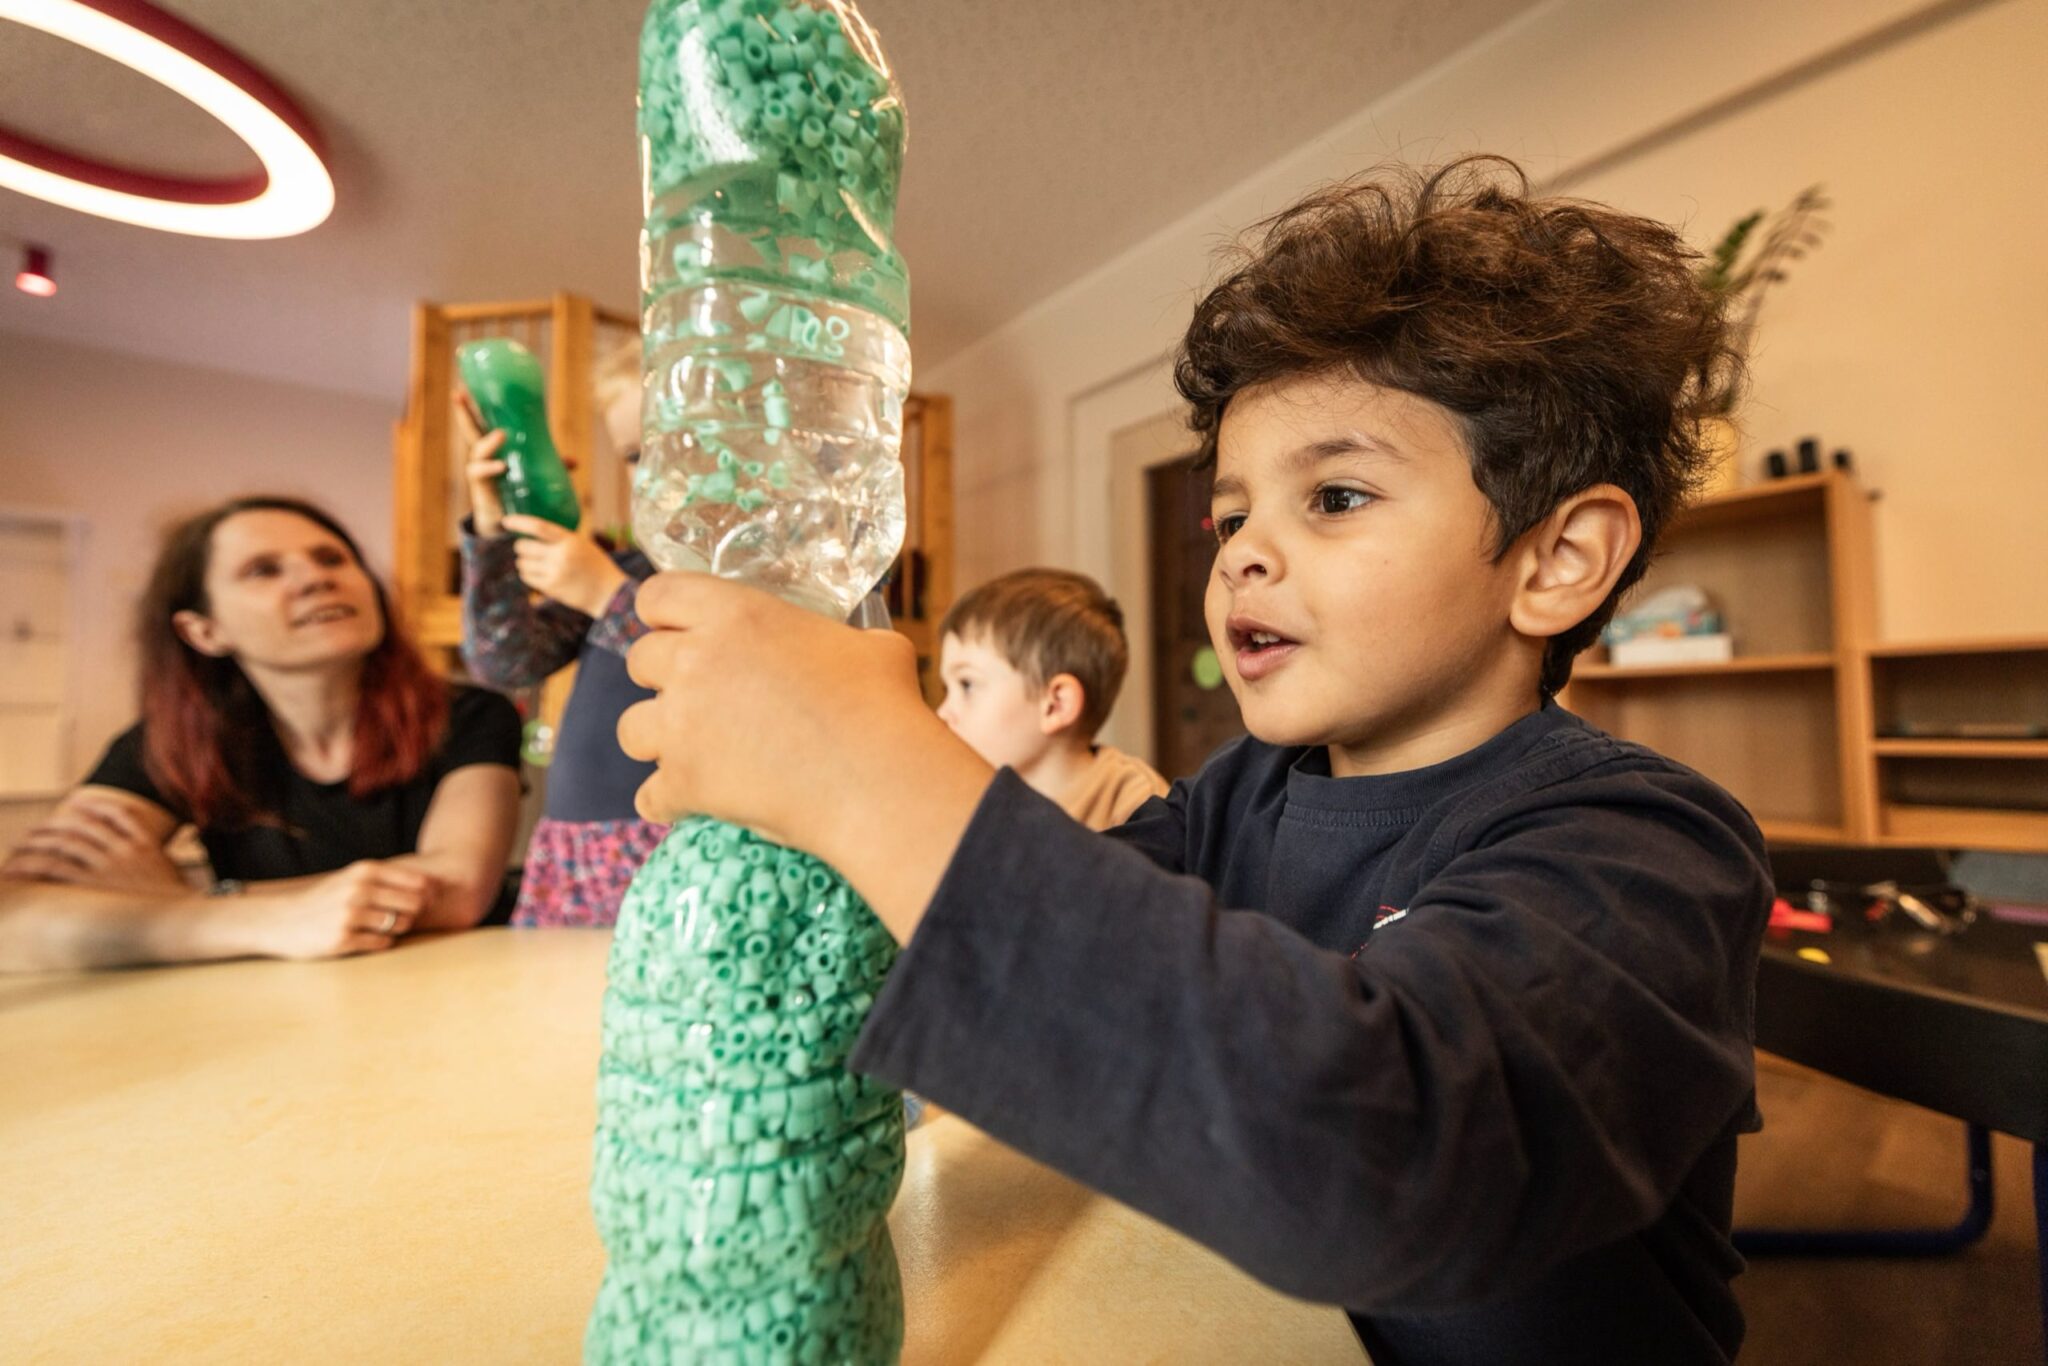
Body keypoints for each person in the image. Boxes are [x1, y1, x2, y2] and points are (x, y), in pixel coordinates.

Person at [613, 158, 1775, 1364]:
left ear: (1557, 559)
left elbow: (1394, 1152)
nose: (1239, 559)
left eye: (1332, 495)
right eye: (1228, 518)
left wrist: (868, 767)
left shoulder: (1648, 846)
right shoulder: (1241, 798)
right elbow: (1060, 935)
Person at [0, 496, 523, 972]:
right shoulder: (167, 743)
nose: (316, 579)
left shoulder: (471, 714)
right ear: (203, 631)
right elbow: (18, 915)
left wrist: (195, 899)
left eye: (332, 559)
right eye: (263, 570)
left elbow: (458, 888)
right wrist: (271, 920)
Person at [458, 340, 667, 927]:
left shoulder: (758, 583)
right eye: (634, 454)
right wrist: (492, 534)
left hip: (682, 850)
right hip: (580, 858)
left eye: (681, 445)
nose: (655, 473)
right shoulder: (626, 568)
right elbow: (504, 660)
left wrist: (607, 595)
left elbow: (725, 672)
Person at [936, 568, 1167, 830]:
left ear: (1056, 704)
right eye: (946, 689)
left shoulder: (1135, 803)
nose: (942, 713)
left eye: (966, 685)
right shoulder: (970, 797)